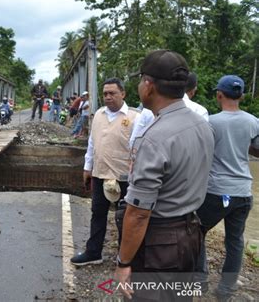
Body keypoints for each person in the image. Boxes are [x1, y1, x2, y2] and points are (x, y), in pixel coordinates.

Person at [114, 50, 214, 301]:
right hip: (191, 234)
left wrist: (123, 262)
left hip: (160, 244)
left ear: (148, 86)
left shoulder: (155, 137)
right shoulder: (202, 124)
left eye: (140, 81)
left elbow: (138, 213)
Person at [195, 75, 259, 300]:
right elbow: (256, 150)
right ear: (241, 96)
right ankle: (226, 289)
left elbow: (200, 154)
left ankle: (199, 281)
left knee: (196, 230)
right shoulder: (253, 121)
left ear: (219, 95)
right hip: (243, 192)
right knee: (235, 240)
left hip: (217, 191)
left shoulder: (210, 122)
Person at [71, 79, 140, 266]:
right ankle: (93, 252)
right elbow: (92, 143)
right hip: (100, 173)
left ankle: (125, 257)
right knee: (97, 213)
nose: (108, 97)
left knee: (125, 218)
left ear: (123, 94)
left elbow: (140, 149)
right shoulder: (99, 115)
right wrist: (87, 167)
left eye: (112, 93)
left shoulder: (135, 117)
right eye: (105, 94)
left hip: (125, 176)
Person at [129, 71, 208, 148]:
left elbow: (134, 142)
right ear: (193, 90)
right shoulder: (200, 111)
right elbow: (203, 145)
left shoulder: (150, 107)